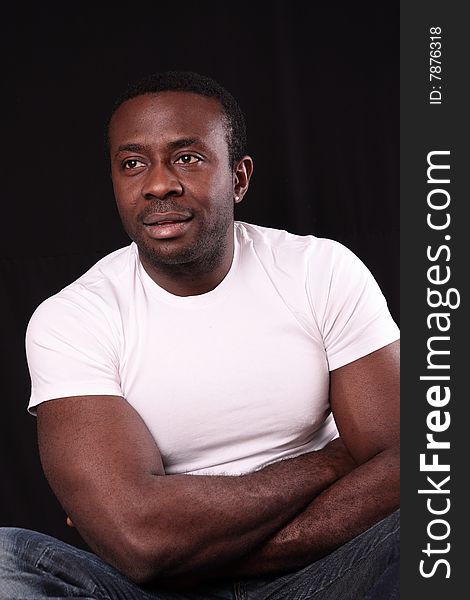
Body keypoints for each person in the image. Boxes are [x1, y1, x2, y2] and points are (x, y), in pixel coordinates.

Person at [0, 71, 400, 599]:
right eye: (133, 164)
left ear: (239, 177)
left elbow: (412, 466)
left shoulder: (319, 270)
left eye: (186, 158)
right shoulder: (73, 318)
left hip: (329, 566)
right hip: (157, 591)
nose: (158, 183)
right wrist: (335, 459)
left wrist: (199, 556)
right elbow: (137, 539)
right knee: (7, 559)